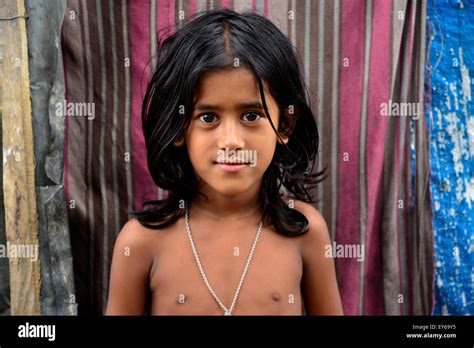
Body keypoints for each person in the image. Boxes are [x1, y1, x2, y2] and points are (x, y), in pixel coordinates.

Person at [106, 9, 343, 316]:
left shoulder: (305, 232)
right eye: (208, 117)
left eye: (251, 116)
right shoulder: (140, 243)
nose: (231, 140)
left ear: (284, 125)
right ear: (179, 128)